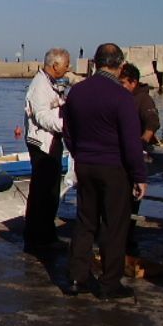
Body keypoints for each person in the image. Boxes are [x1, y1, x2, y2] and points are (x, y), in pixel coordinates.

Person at [63, 43, 147, 299]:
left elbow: (68, 131)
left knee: (85, 222)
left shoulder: (77, 92)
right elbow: (131, 141)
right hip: (113, 167)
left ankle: (77, 277)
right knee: (114, 225)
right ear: (120, 65)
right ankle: (110, 283)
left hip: (85, 164)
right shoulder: (122, 96)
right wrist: (139, 176)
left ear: (94, 63)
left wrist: (80, 154)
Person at [23, 47, 71, 252]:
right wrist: (66, 124)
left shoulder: (50, 83)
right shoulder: (39, 86)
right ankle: (37, 238)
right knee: (42, 192)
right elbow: (41, 116)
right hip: (42, 144)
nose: (68, 69)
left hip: (52, 141)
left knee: (51, 191)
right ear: (55, 65)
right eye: (66, 65)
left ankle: (46, 233)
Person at [119, 62, 160, 254]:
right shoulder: (121, 98)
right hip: (119, 157)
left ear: (133, 82)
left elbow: (152, 122)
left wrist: (142, 141)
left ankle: (127, 238)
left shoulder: (143, 100)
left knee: (131, 201)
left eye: (123, 83)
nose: (120, 86)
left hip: (134, 155)